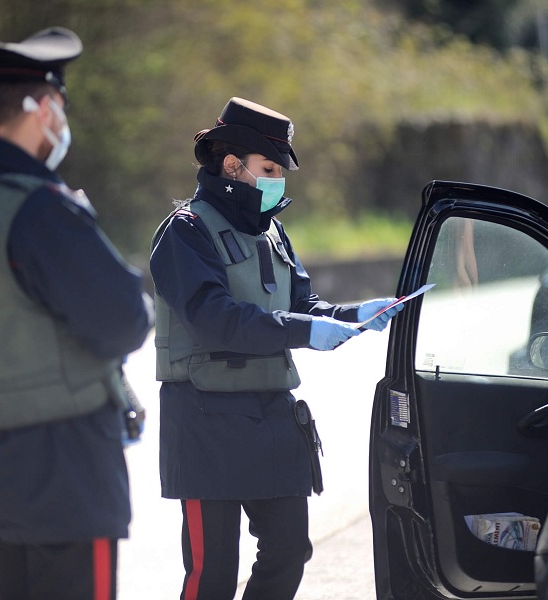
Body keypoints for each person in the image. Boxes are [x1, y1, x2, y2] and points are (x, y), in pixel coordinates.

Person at [0, 27, 154, 600]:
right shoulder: (38, 209)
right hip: (67, 471)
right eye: (59, 108)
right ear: (43, 109)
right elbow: (125, 320)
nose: (62, 123)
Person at [149, 97, 404, 600]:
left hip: (271, 413)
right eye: (269, 169)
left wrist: (354, 315)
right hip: (205, 419)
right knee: (212, 575)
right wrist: (304, 331)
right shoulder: (186, 231)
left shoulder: (273, 232)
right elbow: (216, 320)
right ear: (232, 166)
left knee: (289, 552)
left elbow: (303, 305)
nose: (278, 182)